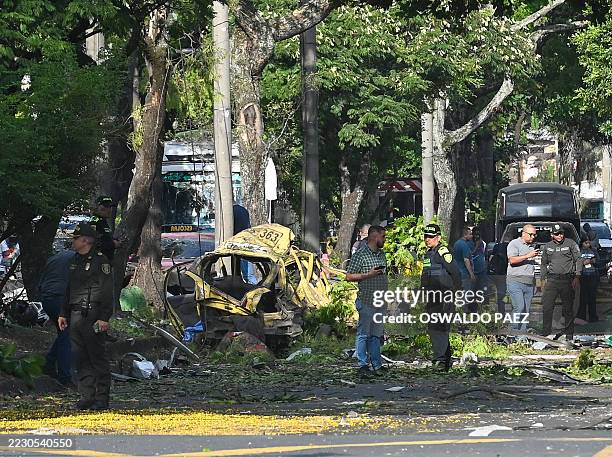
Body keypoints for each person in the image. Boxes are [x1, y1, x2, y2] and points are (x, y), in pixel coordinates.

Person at [58, 223, 113, 410]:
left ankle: (101, 397)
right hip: (75, 314)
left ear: (85, 240)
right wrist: (63, 313)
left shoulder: (100, 261)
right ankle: (86, 395)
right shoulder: (75, 261)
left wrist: (105, 317)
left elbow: (106, 291)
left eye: (75, 238)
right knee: (79, 357)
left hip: (93, 314)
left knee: (96, 356)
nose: (73, 242)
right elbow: (69, 288)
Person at [346, 225, 387, 377]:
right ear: (375, 237)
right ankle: (362, 365)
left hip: (380, 301)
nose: (384, 240)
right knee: (364, 333)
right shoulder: (361, 255)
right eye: (383, 237)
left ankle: (376, 364)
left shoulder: (382, 255)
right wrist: (367, 275)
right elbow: (349, 276)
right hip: (366, 300)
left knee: (376, 335)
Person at [421, 224, 461, 371]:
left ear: (438, 237)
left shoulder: (443, 251)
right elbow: (425, 276)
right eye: (426, 236)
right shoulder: (428, 254)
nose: (427, 239)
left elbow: (455, 272)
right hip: (432, 297)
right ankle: (445, 360)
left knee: (439, 328)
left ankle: (441, 360)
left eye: (431, 237)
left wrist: (457, 292)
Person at [39, 249, 76, 386]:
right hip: (60, 298)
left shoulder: (57, 257)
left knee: (64, 334)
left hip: (48, 298)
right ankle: (64, 377)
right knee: (68, 336)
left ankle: (49, 364)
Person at [540, 224, 582, 346]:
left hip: (567, 280)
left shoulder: (571, 243)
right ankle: (546, 334)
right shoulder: (547, 246)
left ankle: (569, 336)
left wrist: (577, 276)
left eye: (561, 233)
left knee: (568, 309)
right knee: (547, 307)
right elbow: (543, 263)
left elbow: (578, 259)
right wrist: (542, 279)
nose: (560, 236)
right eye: (557, 234)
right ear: (552, 235)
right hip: (552, 280)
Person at [506, 224, 539, 332]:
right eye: (531, 235)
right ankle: (513, 331)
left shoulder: (532, 246)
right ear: (523, 233)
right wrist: (528, 256)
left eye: (534, 235)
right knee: (519, 307)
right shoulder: (514, 244)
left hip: (529, 283)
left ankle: (523, 333)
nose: (533, 237)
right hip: (515, 281)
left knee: (526, 309)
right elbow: (512, 260)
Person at [90, 196, 120, 261]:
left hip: (106, 260)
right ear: (98, 207)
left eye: (110, 207)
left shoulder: (103, 221)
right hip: (97, 261)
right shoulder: (94, 221)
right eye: (106, 206)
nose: (109, 209)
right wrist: (113, 244)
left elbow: (105, 237)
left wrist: (114, 240)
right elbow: (92, 242)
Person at [453, 226, 476, 311]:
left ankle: (458, 313)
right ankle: (464, 314)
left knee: (459, 295)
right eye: (470, 234)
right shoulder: (464, 245)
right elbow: (466, 260)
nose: (472, 236)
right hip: (464, 274)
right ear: (465, 235)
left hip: (457, 273)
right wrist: (471, 274)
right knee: (466, 295)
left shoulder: (456, 244)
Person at [577, 238, 600, 323]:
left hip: (592, 275)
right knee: (583, 297)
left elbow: (598, 261)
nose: (587, 244)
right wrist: (583, 263)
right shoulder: (579, 251)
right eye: (585, 243)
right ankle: (581, 316)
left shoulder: (593, 251)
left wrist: (594, 261)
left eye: (588, 243)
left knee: (592, 297)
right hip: (583, 275)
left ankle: (593, 316)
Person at [489, 240, 509, 315]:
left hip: (494, 273)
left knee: (488, 294)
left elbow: (491, 258)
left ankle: (488, 312)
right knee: (501, 294)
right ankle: (502, 313)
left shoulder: (496, 246)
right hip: (503, 273)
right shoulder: (511, 247)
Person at [471, 227, 488, 309]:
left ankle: (484, 307)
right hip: (472, 270)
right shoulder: (469, 243)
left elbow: (486, 255)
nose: (476, 236)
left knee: (483, 288)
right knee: (473, 290)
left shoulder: (483, 243)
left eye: (478, 234)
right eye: (475, 234)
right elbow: (470, 253)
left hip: (481, 269)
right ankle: (473, 308)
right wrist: (476, 246)